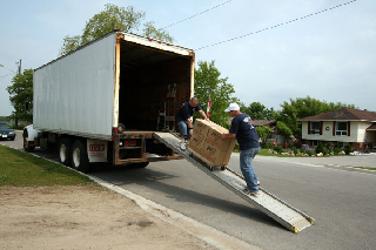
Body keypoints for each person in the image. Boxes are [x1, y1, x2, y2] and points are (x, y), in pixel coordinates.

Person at [222, 103, 261, 196]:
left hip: (248, 146)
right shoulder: (246, 116)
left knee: (245, 167)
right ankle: (255, 182)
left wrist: (223, 136)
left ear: (235, 111)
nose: (229, 114)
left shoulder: (236, 119)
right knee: (248, 166)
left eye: (230, 112)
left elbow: (232, 135)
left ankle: (253, 189)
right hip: (256, 145)